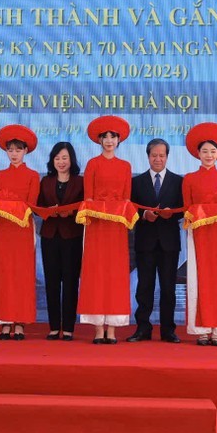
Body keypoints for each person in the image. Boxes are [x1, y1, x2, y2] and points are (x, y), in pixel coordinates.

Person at [77, 116, 134, 344]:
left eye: (113, 136)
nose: (109, 140)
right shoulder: (93, 164)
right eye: (105, 137)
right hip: (96, 227)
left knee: (115, 275)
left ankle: (112, 328)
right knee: (96, 273)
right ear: (99, 140)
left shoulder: (125, 166)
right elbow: (88, 197)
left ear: (119, 140)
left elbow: (127, 199)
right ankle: (98, 328)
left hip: (117, 228)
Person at [183, 123, 217, 346]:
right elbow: (187, 208)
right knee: (199, 277)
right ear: (198, 153)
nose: (209, 155)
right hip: (198, 233)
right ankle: (202, 330)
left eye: (213, 151)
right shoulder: (189, 178)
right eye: (205, 151)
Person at [128, 138, 183, 344]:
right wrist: (144, 214)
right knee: (144, 287)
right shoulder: (137, 181)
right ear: (148, 156)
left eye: (161, 155)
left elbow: (185, 208)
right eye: (154, 155)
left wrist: (172, 214)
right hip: (145, 241)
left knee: (169, 287)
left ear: (167, 156)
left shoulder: (178, 181)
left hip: (169, 242)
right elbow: (131, 208)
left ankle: (168, 330)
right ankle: (143, 328)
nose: (158, 159)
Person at [0, 125, 40, 340]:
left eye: (18, 150)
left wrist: (14, 207)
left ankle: (20, 322)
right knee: (4, 273)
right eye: (10, 150)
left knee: (22, 274)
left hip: (22, 228)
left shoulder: (33, 175)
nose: (14, 154)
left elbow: (32, 204)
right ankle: (5, 320)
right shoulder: (0, 176)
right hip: (3, 229)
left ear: (25, 151)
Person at [38, 142, 84, 341]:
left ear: (71, 159)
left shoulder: (80, 182)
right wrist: (49, 211)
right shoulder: (45, 181)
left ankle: (69, 328)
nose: (61, 162)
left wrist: (71, 212)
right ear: (52, 160)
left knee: (71, 282)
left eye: (64, 158)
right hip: (49, 235)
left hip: (72, 235)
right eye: (57, 158)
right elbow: (38, 206)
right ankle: (54, 326)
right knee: (52, 282)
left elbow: (85, 206)